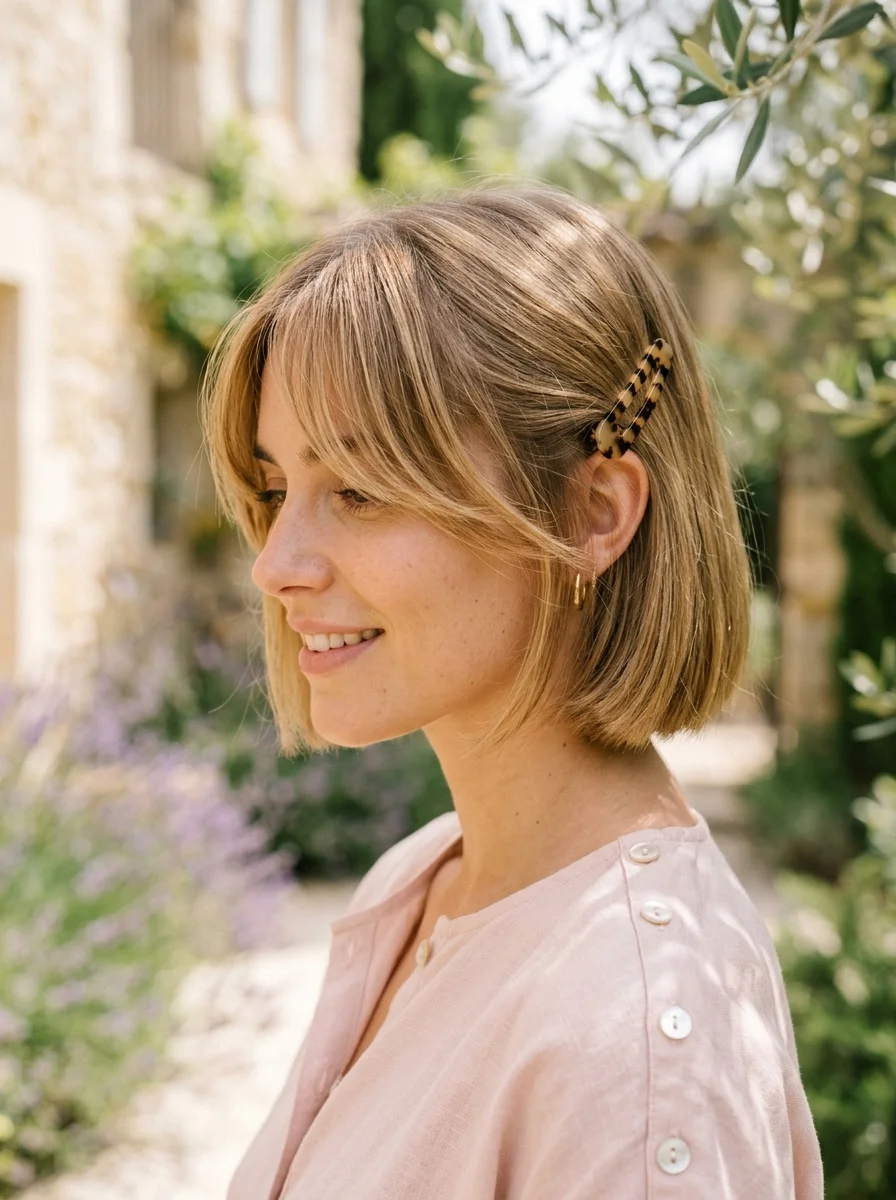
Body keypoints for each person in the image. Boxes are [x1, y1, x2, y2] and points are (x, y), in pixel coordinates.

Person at [200, 186, 824, 1199]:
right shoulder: (422, 880)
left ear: (591, 510)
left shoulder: (632, 1053)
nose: (275, 564)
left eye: (358, 488)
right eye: (276, 490)